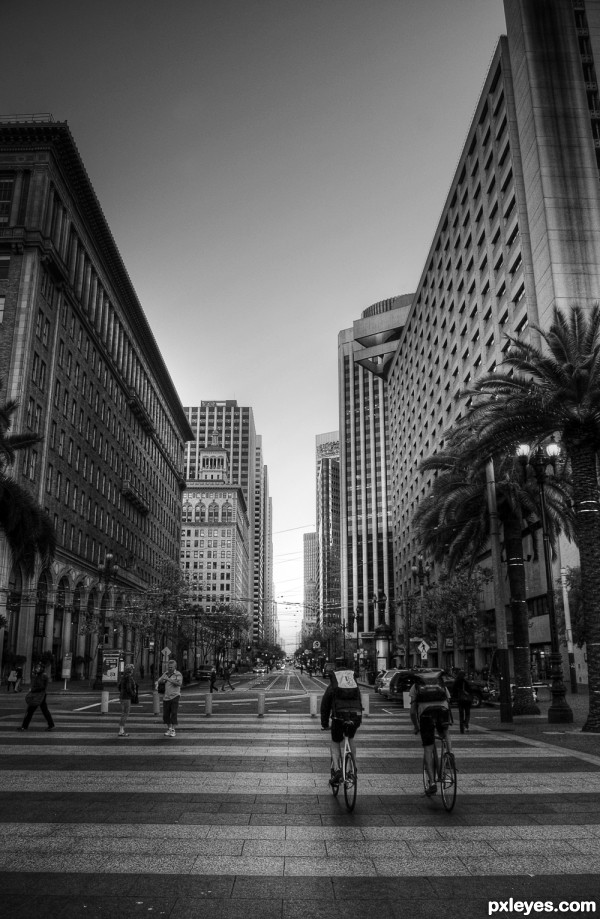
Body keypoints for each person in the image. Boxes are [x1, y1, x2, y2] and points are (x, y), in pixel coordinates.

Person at [410, 671, 453, 797]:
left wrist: (416, 726)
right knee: (445, 732)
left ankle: (432, 784)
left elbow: (413, 711)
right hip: (442, 711)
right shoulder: (441, 684)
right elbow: (448, 701)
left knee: (428, 749)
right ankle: (450, 755)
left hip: (426, 715)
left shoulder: (415, 686)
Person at [320, 668, 363, 785]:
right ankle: (352, 769)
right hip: (355, 716)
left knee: (335, 741)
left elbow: (325, 706)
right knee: (351, 737)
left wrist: (324, 724)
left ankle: (338, 770)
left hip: (338, 717)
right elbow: (360, 702)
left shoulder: (333, 687)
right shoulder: (354, 685)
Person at [19, 663, 55, 731]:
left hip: (38, 696)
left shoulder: (42, 676)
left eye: (38, 668)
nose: (36, 669)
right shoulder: (40, 675)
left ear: (41, 669)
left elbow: (41, 687)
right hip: (40, 695)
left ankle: (24, 726)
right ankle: (51, 724)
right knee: (44, 711)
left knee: (31, 711)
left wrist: (32, 690)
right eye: (36, 668)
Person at [157, 659, 183, 737]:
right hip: (166, 697)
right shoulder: (165, 673)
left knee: (174, 713)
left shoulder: (178, 674)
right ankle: (169, 728)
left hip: (175, 696)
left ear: (175, 667)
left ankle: (173, 729)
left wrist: (169, 679)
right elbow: (159, 681)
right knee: (166, 714)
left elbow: (179, 683)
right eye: (169, 667)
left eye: (171, 667)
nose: (170, 668)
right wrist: (162, 680)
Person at [117, 664, 137, 737]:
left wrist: (122, 692)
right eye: (132, 669)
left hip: (122, 696)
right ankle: (121, 731)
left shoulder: (123, 677)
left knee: (124, 713)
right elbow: (129, 688)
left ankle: (121, 730)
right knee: (125, 713)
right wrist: (133, 694)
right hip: (126, 697)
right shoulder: (129, 678)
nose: (133, 671)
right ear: (130, 670)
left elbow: (119, 686)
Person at [452, 669, 473, 734]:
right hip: (466, 700)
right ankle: (465, 723)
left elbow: (454, 691)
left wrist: (454, 698)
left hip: (460, 700)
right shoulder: (466, 682)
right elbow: (470, 691)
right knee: (467, 713)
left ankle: (462, 729)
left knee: (461, 715)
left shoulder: (456, 682)